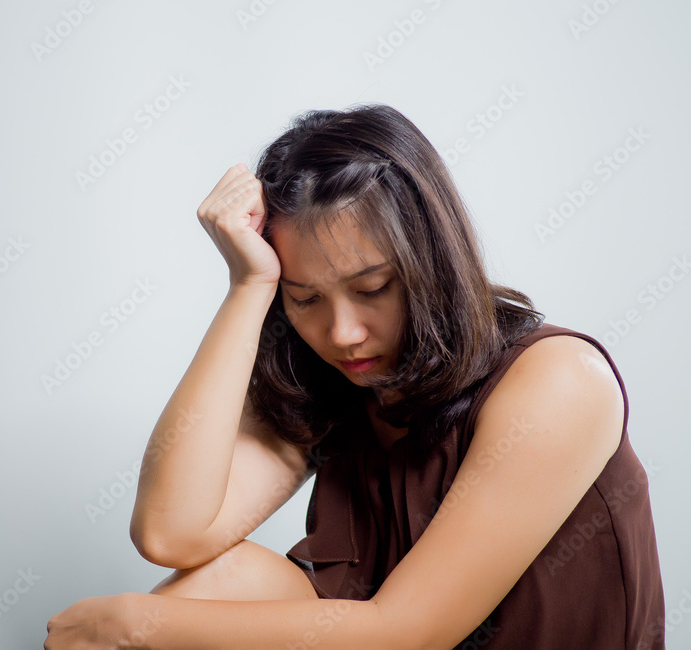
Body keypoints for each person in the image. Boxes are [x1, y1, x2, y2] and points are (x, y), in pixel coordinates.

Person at [44, 104, 666, 649]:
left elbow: (410, 633)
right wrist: (248, 285)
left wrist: (126, 625)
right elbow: (170, 533)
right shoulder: (332, 380)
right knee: (216, 582)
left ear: (431, 261)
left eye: (372, 288)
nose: (341, 333)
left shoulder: (560, 380)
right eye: (305, 298)